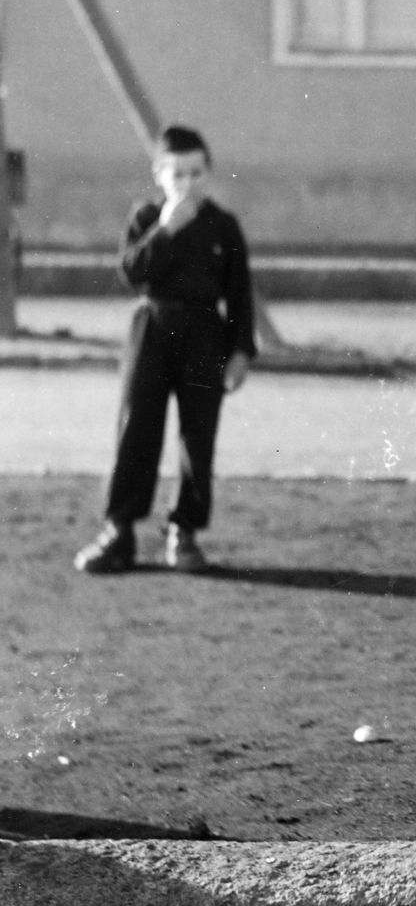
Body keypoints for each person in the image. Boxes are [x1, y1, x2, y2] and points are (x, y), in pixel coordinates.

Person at [74, 125, 256, 575]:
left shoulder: (223, 226)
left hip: (203, 334)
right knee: (137, 428)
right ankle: (120, 530)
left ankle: (184, 531)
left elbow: (239, 295)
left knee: (198, 434)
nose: (187, 183)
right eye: (177, 174)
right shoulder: (146, 217)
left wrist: (240, 352)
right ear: (159, 174)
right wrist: (166, 230)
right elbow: (130, 272)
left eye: (196, 173)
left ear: (208, 174)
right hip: (152, 327)